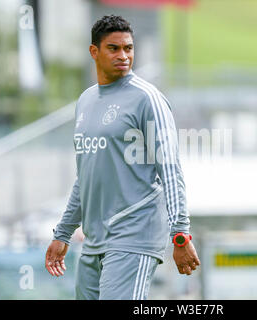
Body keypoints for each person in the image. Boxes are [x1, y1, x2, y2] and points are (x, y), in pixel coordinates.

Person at [44, 15, 200, 300]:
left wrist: (181, 234)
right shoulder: (86, 101)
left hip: (134, 237)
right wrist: (63, 233)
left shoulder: (147, 99)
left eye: (128, 48)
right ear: (94, 52)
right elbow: (86, 176)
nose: (123, 55)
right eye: (114, 48)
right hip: (93, 242)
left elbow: (170, 169)